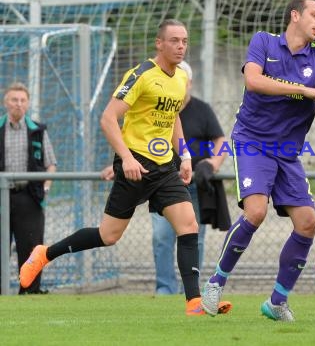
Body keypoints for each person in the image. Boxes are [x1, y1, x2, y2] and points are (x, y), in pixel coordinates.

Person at [19, 19, 231, 316]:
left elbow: (174, 120)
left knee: (189, 226)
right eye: (174, 40)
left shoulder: (181, 78)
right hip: (135, 164)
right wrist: (127, 158)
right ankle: (44, 254)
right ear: (159, 43)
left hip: (165, 167)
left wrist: (183, 157)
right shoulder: (141, 74)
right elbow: (108, 118)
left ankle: (194, 301)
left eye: (184, 41)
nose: (181, 46)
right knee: (109, 235)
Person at [200, 0, 315, 322]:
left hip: (287, 154)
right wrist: (310, 92)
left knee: (308, 223)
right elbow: (254, 80)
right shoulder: (263, 41)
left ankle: (277, 301)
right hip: (253, 143)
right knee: (256, 212)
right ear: (295, 15)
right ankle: (215, 283)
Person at [151, 60, 230, 294]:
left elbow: (221, 141)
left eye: (182, 79)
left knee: (194, 238)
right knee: (162, 238)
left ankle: (192, 289)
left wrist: (213, 162)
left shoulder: (202, 109)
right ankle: (165, 288)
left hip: (193, 184)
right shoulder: (157, 108)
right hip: (162, 183)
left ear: (190, 83)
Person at [0, 82, 57, 295]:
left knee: (31, 249)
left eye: (23, 100)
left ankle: (30, 293)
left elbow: (51, 163)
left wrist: (46, 188)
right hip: (1, 197)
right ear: (6, 102)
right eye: (14, 100)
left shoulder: (38, 132)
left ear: (28, 103)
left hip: (29, 198)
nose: (18, 104)